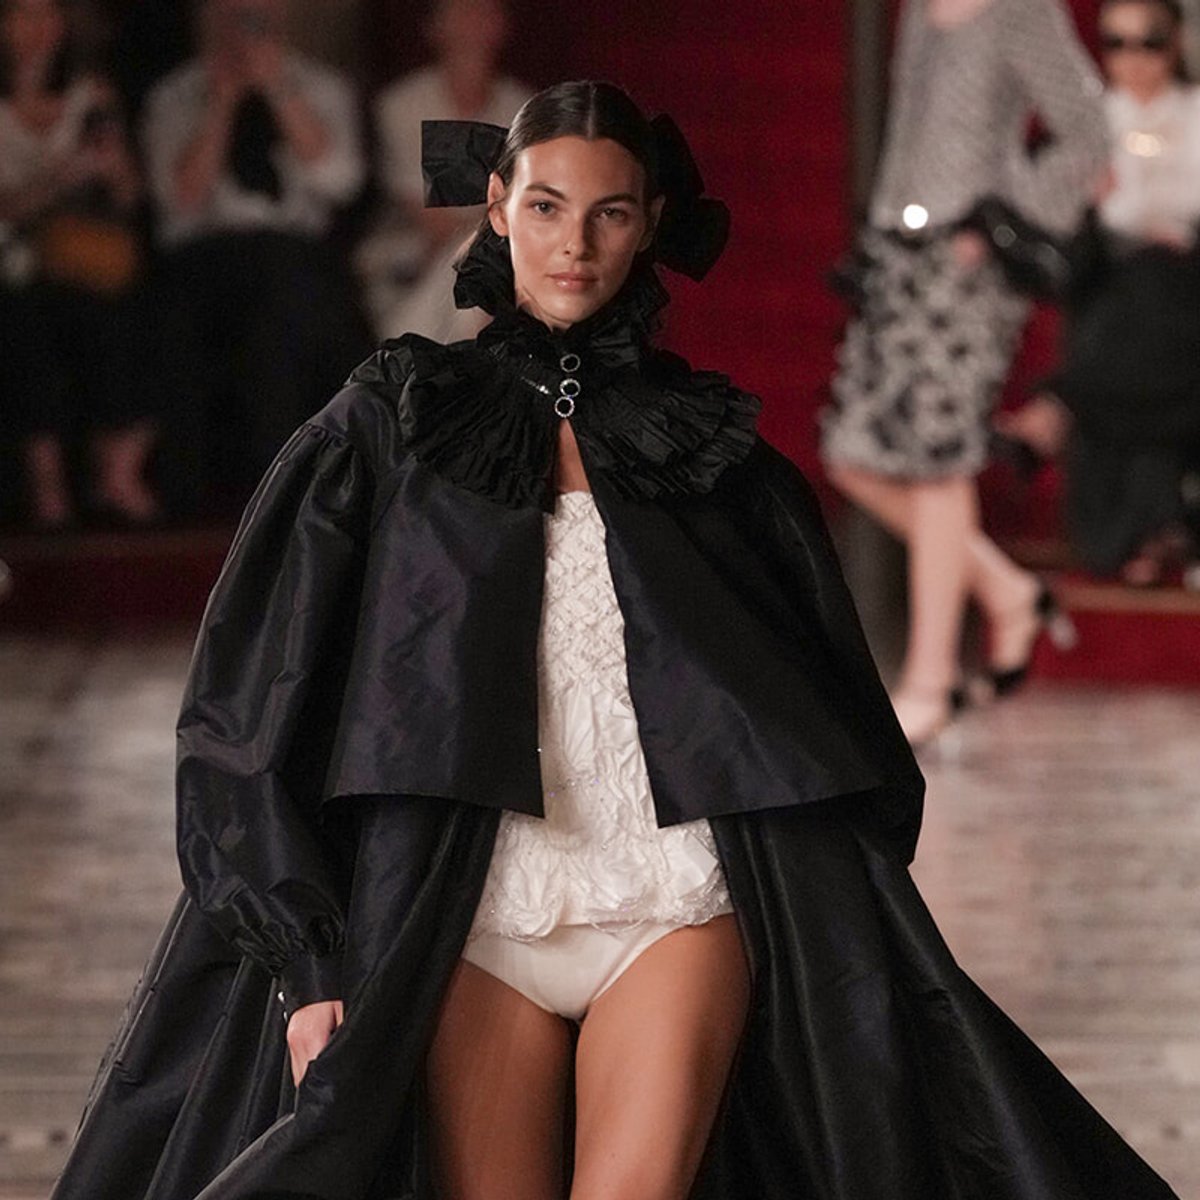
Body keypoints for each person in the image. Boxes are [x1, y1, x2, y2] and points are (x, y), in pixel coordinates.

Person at [50, 81, 1178, 1200]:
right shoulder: (389, 424)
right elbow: (255, 691)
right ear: (495, 206)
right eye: (545, 207)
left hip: (673, 895)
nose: (574, 245)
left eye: (609, 213)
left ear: (651, 225)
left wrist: (835, 896)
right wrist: (303, 957)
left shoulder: (714, 454)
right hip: (468, 906)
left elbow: (826, 695)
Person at [821, 0, 1109, 745]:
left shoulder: (1022, 10)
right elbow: (913, 125)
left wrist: (995, 222)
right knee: (853, 457)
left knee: (935, 465)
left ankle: (930, 681)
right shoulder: (920, 7)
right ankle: (1008, 591)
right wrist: (880, 230)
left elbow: (1089, 132)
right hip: (898, 258)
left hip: (967, 275)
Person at [997, 0, 1200, 586]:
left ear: (1176, 42)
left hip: (1184, 294)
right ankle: (1151, 528)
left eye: (1149, 41)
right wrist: (1086, 206)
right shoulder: (1088, 123)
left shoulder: (1193, 113)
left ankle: (1058, 406)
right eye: (1116, 42)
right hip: (1113, 295)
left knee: (1158, 284)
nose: (1132, 59)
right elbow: (1060, 252)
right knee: (1143, 297)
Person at [141, 0, 370, 503]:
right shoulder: (175, 94)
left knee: (289, 301)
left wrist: (278, 89)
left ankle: (291, 491)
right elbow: (179, 197)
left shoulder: (321, 86)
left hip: (293, 250)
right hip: (204, 254)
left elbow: (342, 180)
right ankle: (203, 499)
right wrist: (221, 102)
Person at [0, 0, 158, 528]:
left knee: (114, 308)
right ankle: (46, 484)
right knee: (23, 317)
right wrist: (58, 180)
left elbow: (131, 193)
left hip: (86, 258)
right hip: (14, 263)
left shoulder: (93, 95)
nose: (37, 30)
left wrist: (111, 169)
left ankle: (115, 469)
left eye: (47, 16)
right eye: (22, 16)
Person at [357, 0, 529, 342]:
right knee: (478, 257)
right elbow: (430, 219)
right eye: (461, 12)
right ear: (433, 27)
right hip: (412, 263)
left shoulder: (522, 108)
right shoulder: (402, 104)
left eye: (484, 11)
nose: (473, 23)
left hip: (504, 262)